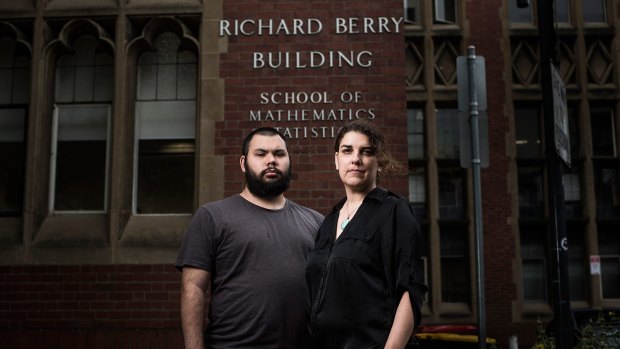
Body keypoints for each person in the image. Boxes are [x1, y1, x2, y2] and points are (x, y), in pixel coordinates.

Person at [176, 127, 323, 349]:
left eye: (279, 154)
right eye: (261, 154)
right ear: (244, 163)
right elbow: (193, 288)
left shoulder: (315, 222)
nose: (271, 160)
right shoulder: (213, 217)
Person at [306, 120, 428, 349]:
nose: (355, 159)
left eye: (366, 152)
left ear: (379, 163)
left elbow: (410, 291)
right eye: (347, 150)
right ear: (336, 160)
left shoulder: (394, 211)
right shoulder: (329, 221)